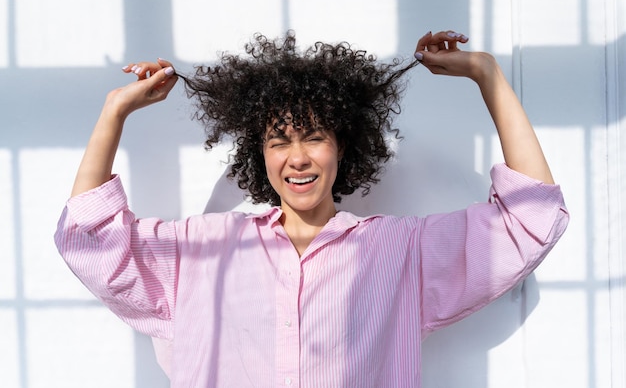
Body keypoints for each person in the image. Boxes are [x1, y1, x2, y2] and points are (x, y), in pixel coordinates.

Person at [55, 30, 569, 387]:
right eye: (279, 140)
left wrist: (489, 77)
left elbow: (530, 219)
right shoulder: (201, 248)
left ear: (342, 147)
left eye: (315, 137)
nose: (297, 157)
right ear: (259, 153)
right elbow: (90, 237)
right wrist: (115, 110)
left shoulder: (398, 249)